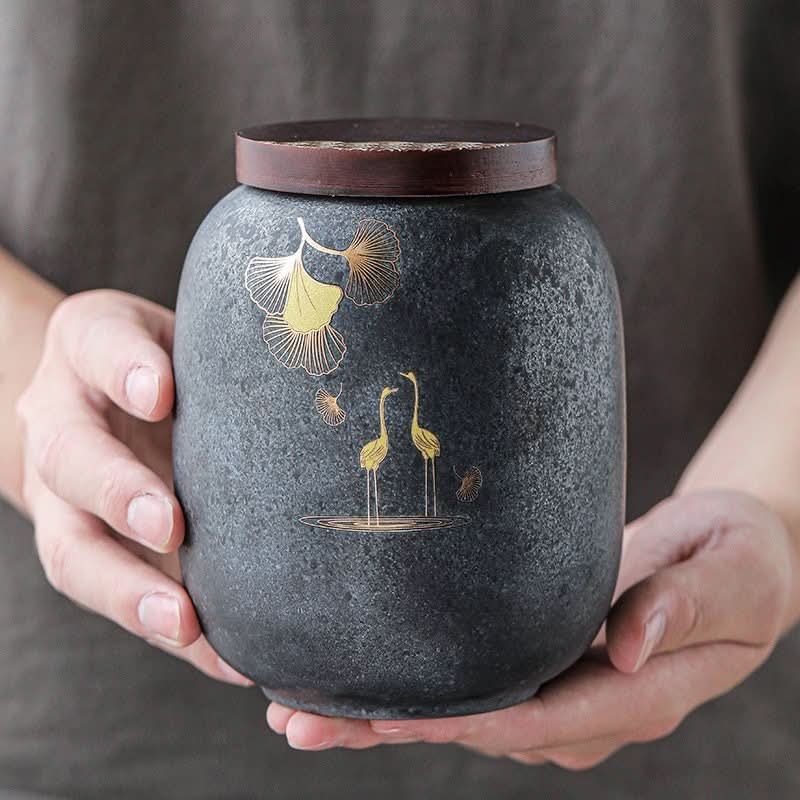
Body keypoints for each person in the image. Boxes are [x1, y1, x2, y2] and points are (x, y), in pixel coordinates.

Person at [1, 2, 798, 798]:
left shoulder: (546, 239)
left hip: (696, 736)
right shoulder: (243, 236)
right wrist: (44, 401)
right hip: (96, 739)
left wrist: (776, 503)